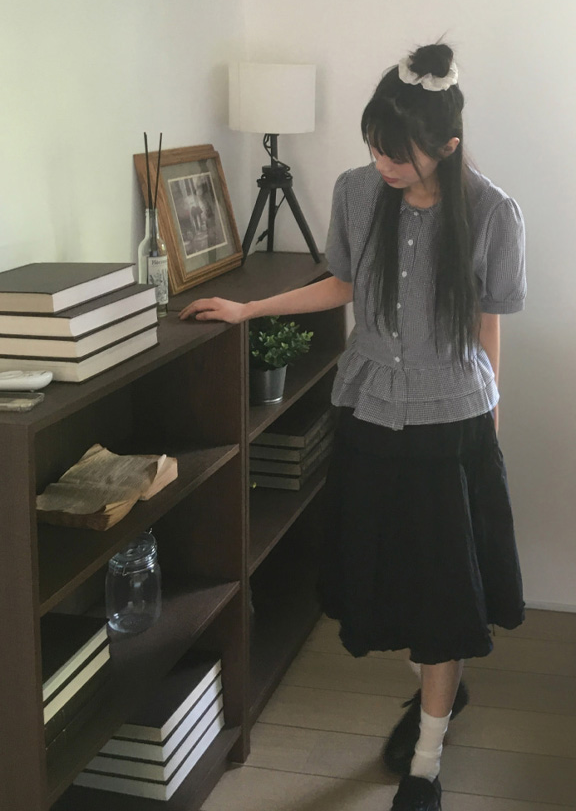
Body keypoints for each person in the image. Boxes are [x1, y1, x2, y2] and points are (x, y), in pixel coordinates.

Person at [179, 42, 526, 811]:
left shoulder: (493, 212)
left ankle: (426, 763)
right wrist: (247, 308)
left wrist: (492, 420)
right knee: (390, 576)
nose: (382, 163)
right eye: (374, 145)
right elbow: (340, 283)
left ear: (448, 146)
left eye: (399, 154)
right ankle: (441, 686)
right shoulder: (355, 192)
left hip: (451, 426)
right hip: (367, 414)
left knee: (443, 595)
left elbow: (487, 325)